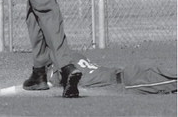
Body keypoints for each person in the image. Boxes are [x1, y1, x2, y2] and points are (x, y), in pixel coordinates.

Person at [47, 52, 177, 94]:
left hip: (130, 81)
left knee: (173, 83)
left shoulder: (59, 66)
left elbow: (52, 83)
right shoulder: (71, 54)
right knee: (172, 78)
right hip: (130, 71)